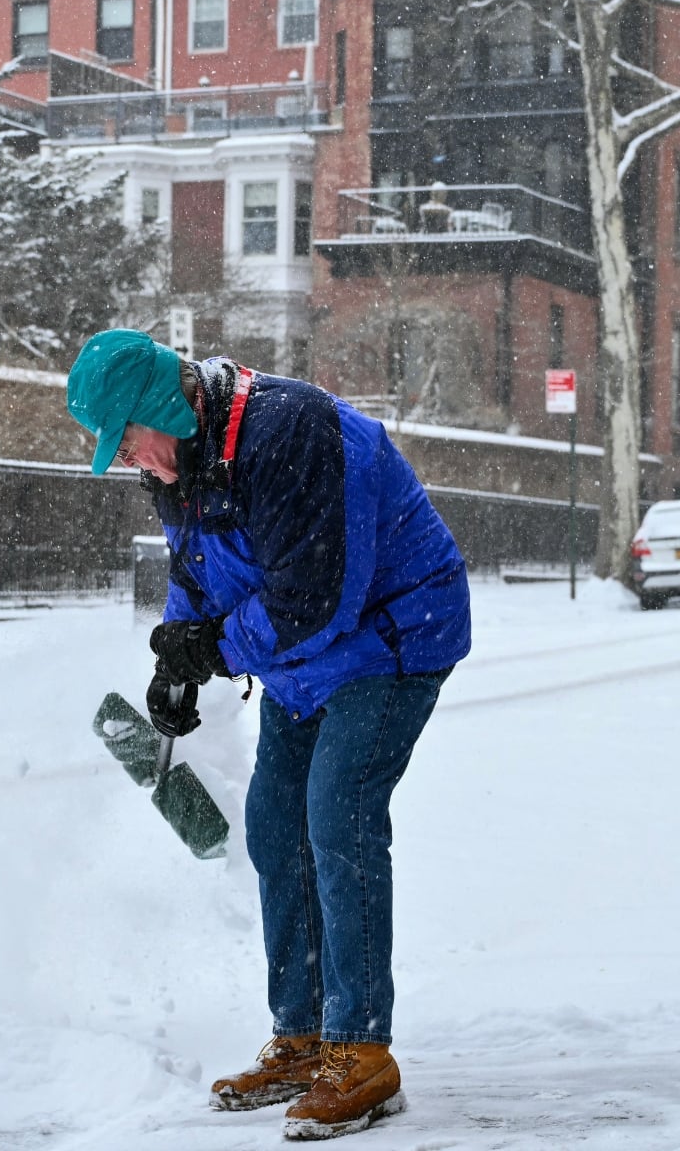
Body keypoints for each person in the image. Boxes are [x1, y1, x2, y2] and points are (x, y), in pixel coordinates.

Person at [65, 329, 471, 1141]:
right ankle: (303, 1038)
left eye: (128, 443)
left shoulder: (288, 435)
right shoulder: (181, 462)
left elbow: (315, 598)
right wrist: (177, 656)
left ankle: (361, 1052)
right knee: (274, 824)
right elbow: (196, 569)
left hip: (392, 633)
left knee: (338, 811)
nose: (128, 462)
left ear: (162, 408)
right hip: (307, 660)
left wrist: (215, 650)